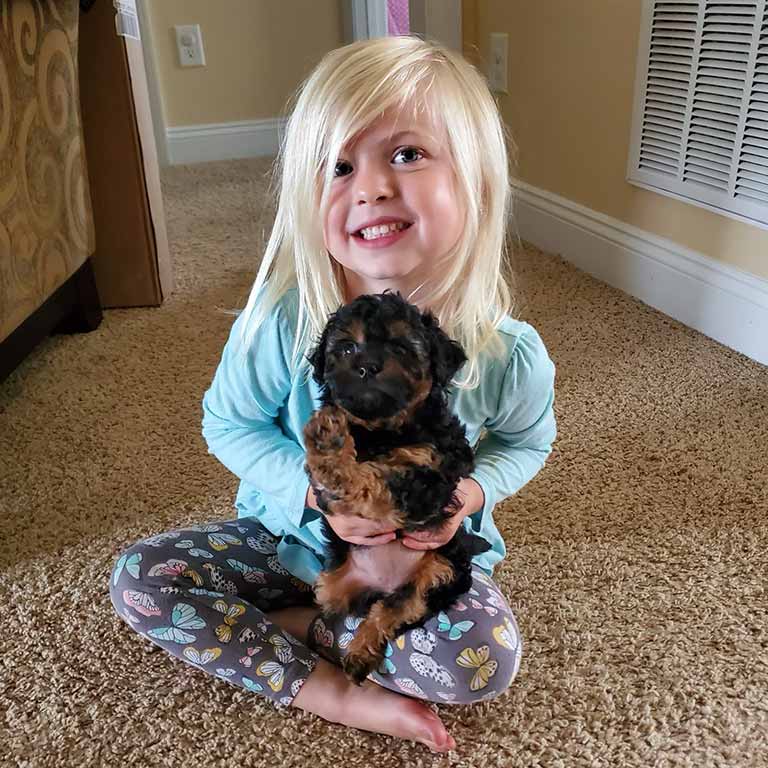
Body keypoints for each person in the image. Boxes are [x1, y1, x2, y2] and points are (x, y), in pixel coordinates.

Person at [109, 35, 556, 754]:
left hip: (416, 564)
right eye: (339, 166)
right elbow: (227, 423)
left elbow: (527, 442)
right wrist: (315, 498)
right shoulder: (282, 322)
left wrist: (469, 497)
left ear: (476, 181)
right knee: (140, 581)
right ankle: (331, 687)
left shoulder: (509, 353)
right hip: (287, 540)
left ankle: (313, 626)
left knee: (481, 663)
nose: (371, 186)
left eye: (407, 154)